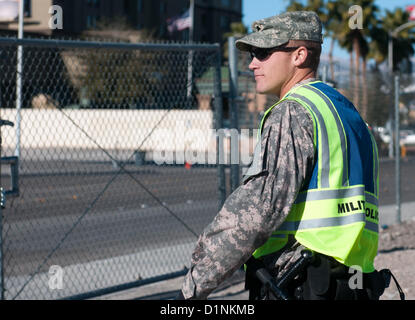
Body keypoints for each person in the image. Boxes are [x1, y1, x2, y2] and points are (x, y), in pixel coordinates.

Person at [177, 11, 382, 300]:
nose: (252, 64)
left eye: (263, 53)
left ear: (298, 55)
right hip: (354, 283)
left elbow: (258, 210)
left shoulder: (294, 111)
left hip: (300, 283)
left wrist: (193, 286)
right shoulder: (347, 113)